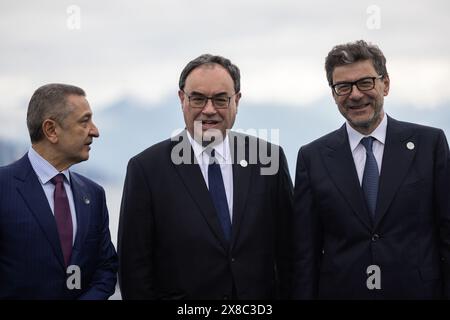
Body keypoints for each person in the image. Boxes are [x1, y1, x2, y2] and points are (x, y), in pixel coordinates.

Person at [118, 54, 293, 300]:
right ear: (182, 99)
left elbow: (290, 253)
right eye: (198, 99)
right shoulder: (146, 169)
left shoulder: (267, 158)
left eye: (221, 99)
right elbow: (134, 271)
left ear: (237, 101)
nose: (209, 110)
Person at [292, 40, 450, 299]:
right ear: (333, 93)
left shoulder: (429, 146)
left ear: (385, 84)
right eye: (343, 86)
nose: (355, 95)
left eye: (365, 82)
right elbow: (304, 254)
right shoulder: (313, 157)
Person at [0, 83, 118, 299]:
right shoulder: (3, 187)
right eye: (85, 121)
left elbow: (106, 268)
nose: (95, 131)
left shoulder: (94, 194)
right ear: (51, 130)